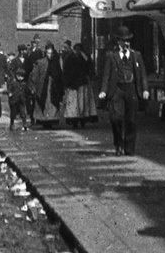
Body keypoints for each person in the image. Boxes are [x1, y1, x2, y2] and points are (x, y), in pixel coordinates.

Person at [98, 25, 149, 156]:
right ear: (118, 41)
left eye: (128, 40)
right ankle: (118, 144)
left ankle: (129, 148)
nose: (126, 43)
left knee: (131, 120)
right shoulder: (111, 55)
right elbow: (106, 75)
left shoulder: (136, 55)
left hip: (131, 88)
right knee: (116, 118)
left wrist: (145, 89)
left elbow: (142, 74)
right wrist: (104, 90)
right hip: (117, 90)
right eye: (124, 40)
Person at [63, 42, 97, 128]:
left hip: (80, 83)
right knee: (79, 103)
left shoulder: (80, 57)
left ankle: (79, 120)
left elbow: (89, 66)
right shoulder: (72, 57)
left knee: (80, 103)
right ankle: (78, 120)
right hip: (77, 83)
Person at [30, 42, 64, 127]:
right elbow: (35, 75)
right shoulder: (40, 62)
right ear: (45, 53)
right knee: (44, 103)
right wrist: (34, 87)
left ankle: (51, 120)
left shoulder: (56, 62)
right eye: (48, 53)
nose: (50, 55)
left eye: (51, 53)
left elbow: (59, 75)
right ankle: (44, 120)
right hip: (43, 86)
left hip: (53, 86)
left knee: (52, 103)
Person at [24, 35, 44, 123]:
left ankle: (38, 117)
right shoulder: (28, 52)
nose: (34, 44)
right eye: (34, 43)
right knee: (29, 98)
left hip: (37, 78)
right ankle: (31, 116)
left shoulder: (40, 51)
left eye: (36, 42)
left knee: (37, 98)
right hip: (30, 77)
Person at [7, 67, 29, 132]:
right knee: (13, 113)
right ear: (16, 75)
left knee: (23, 113)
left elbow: (26, 91)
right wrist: (10, 93)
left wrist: (26, 96)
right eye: (19, 76)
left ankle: (24, 124)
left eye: (22, 76)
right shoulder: (13, 82)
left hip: (21, 100)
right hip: (14, 100)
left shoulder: (24, 83)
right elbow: (9, 89)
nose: (20, 78)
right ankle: (12, 123)